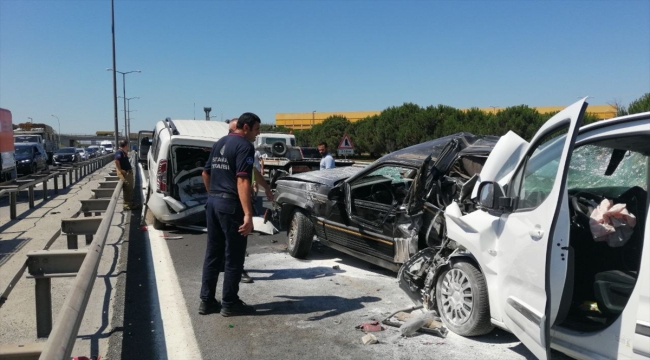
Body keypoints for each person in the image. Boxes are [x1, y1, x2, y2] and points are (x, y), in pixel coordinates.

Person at [199, 112, 261, 316]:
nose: (257, 134)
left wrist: (213, 196)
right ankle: (229, 303)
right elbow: (243, 180)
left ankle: (206, 301)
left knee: (212, 254)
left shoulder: (219, 143)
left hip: (213, 202)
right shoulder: (245, 146)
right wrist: (248, 214)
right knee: (234, 256)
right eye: (256, 129)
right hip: (230, 205)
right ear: (246, 128)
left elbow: (205, 173)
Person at [226, 117, 273, 284]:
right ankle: (235, 276)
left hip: (232, 199)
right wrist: (248, 213)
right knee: (235, 241)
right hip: (232, 200)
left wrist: (265, 187)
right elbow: (242, 180)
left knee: (232, 241)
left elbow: (252, 170)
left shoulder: (245, 149)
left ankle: (234, 269)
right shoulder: (237, 147)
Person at [114, 139, 137, 210]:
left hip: (128, 173)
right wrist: (120, 170)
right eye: (127, 145)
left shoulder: (123, 152)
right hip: (126, 174)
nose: (128, 146)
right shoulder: (119, 152)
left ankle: (129, 202)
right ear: (125, 145)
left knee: (130, 189)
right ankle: (127, 204)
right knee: (127, 189)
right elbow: (116, 160)